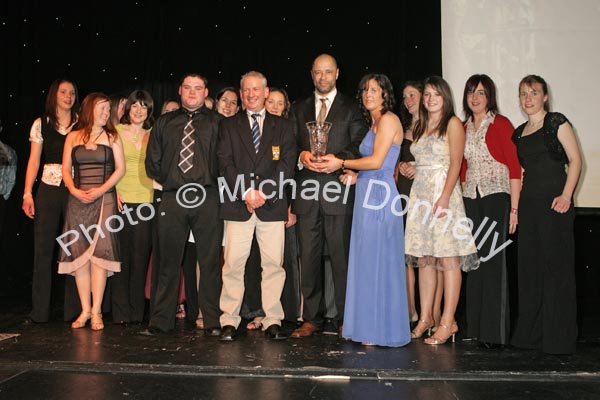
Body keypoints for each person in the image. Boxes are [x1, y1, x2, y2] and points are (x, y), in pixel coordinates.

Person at [323, 73, 411, 347]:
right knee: (367, 262)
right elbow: (370, 167)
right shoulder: (373, 122)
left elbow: (376, 161)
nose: (368, 94)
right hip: (366, 194)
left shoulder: (388, 119)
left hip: (380, 199)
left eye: (375, 89)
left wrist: (341, 162)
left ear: (385, 93)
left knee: (378, 262)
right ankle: (369, 328)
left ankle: (380, 329)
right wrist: (354, 174)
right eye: (365, 90)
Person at [290, 53, 368, 338]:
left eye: (328, 72)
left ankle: (346, 318)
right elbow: (289, 145)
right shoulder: (298, 108)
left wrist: (340, 160)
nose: (322, 77)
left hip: (338, 191)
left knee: (341, 259)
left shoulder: (352, 107)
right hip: (307, 193)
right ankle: (312, 318)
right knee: (308, 259)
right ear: (312, 75)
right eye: (317, 73)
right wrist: (301, 155)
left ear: (337, 73)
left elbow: (360, 143)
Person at [216, 71, 296, 341]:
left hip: (271, 206)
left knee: (274, 265)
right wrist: (246, 193)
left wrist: (263, 192)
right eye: (246, 90)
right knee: (233, 265)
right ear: (241, 94)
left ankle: (272, 319)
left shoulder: (283, 126)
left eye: (256, 89)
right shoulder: (228, 125)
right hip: (239, 205)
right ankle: (229, 319)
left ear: (265, 92)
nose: (251, 94)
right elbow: (224, 162)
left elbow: (286, 164)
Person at [143, 73, 223, 336]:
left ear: (205, 92)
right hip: (174, 196)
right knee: (168, 261)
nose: (192, 92)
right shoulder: (165, 123)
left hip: (208, 197)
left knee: (209, 262)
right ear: (180, 90)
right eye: (187, 87)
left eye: (197, 88)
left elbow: (225, 162)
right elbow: (152, 163)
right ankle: (161, 321)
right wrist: (174, 182)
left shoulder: (219, 123)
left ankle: (211, 320)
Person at [404, 76, 479, 345]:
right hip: (421, 195)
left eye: (436, 94)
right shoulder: (422, 124)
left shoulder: (453, 124)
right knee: (425, 259)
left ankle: (448, 321)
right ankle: (426, 318)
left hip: (443, 194)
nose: (430, 99)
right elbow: (423, 159)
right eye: (426, 94)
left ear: (445, 97)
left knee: (448, 259)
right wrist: (411, 167)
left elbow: (456, 163)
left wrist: (445, 197)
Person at [510, 74, 581, 355]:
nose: (528, 99)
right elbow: (521, 172)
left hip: (555, 206)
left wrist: (566, 195)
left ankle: (558, 340)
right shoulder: (519, 132)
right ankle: (530, 337)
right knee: (530, 271)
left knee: (555, 272)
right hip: (529, 207)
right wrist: (516, 209)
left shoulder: (556, 122)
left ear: (545, 97)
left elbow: (576, 160)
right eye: (523, 94)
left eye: (533, 93)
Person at [459, 74, 521, 349]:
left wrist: (515, 210)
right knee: (474, 263)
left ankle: (494, 334)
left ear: (489, 96)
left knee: (494, 263)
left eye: (481, 93)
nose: (475, 97)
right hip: (470, 197)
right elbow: (461, 168)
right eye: (471, 92)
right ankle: (474, 329)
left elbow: (515, 168)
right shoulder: (461, 127)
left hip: (497, 196)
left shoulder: (501, 123)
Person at [57, 92, 126, 331]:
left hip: (104, 198)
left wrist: (102, 190)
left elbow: (120, 170)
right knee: (79, 256)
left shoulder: (112, 136)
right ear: (89, 109)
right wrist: (74, 190)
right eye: (102, 108)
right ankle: (85, 310)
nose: (106, 113)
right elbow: (65, 169)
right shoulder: (73, 136)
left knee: (100, 255)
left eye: (108, 109)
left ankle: (97, 311)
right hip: (77, 199)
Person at [21, 79, 81, 324]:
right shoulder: (41, 123)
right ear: (54, 95)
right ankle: (39, 313)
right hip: (48, 188)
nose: (68, 96)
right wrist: (27, 193)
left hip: (75, 190)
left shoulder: (82, 122)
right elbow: (34, 161)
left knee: (73, 248)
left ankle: (75, 311)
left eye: (72, 93)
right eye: (63, 92)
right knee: (44, 250)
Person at [244, 87, 301, 331]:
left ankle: (282, 314)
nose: (276, 106)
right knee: (254, 261)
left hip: (281, 205)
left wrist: (292, 206)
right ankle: (258, 312)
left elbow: (295, 175)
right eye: (272, 102)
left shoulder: (288, 130)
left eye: (280, 103)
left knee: (280, 262)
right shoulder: (255, 129)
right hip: (252, 204)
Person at [111, 90, 155, 324]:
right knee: (121, 258)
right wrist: (113, 191)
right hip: (121, 200)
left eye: (144, 107)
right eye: (135, 106)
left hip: (146, 202)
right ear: (128, 108)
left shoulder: (153, 134)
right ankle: (120, 313)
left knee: (140, 259)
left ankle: (137, 313)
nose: (139, 111)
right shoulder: (116, 131)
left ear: (149, 111)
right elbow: (108, 166)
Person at [396, 81, 425, 327]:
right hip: (402, 195)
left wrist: (419, 168)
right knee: (405, 256)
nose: (408, 100)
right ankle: (409, 311)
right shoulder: (402, 127)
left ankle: (430, 315)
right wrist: (401, 165)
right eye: (405, 96)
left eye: (412, 95)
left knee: (425, 257)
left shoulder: (436, 125)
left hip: (425, 195)